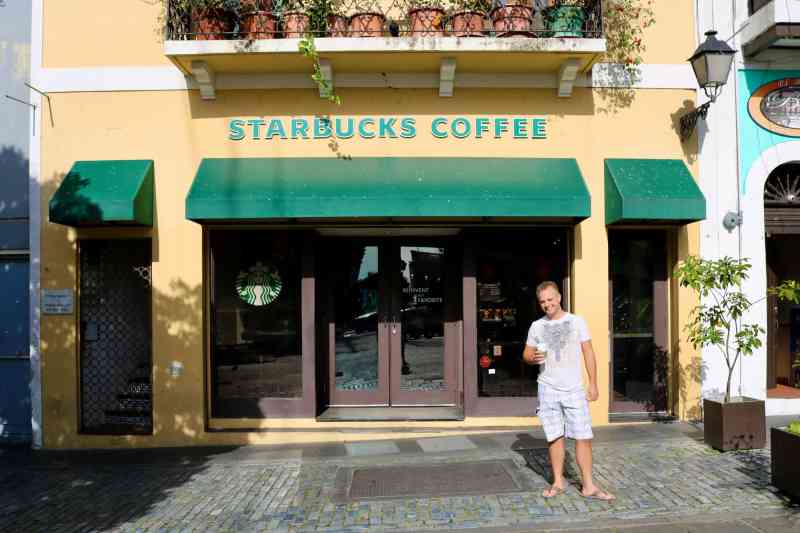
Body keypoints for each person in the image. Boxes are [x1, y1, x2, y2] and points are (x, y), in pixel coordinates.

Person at [522, 281, 615, 501]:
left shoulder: (576, 322)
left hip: (574, 388)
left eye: (550, 299)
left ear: (559, 297)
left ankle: (589, 486)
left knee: (583, 436)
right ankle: (558, 481)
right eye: (543, 301)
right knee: (554, 436)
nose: (547, 304)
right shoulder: (537, 326)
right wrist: (531, 357)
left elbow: (589, 352)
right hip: (547, 387)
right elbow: (526, 354)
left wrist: (593, 383)